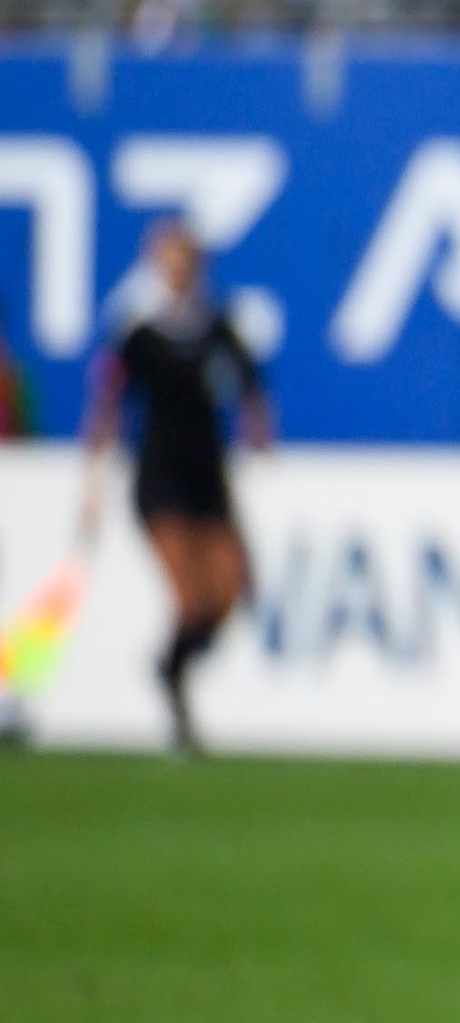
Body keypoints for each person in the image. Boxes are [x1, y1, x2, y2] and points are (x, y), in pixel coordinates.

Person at [79, 217, 268, 753]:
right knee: (189, 596)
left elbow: (253, 385)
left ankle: (169, 665)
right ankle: (176, 688)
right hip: (160, 477)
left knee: (228, 591)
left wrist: (259, 433)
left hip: (209, 476)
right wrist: (92, 482)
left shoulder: (217, 326)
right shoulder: (139, 333)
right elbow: (107, 403)